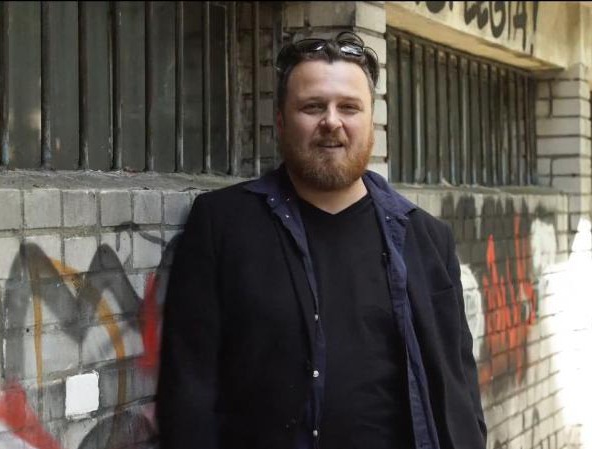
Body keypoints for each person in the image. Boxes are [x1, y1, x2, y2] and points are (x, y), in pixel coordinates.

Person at [157, 31, 486, 449]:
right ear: (281, 120)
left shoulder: (426, 238)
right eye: (313, 106)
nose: (332, 121)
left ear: (372, 123)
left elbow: (459, 383)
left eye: (349, 107)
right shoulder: (223, 225)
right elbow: (189, 389)